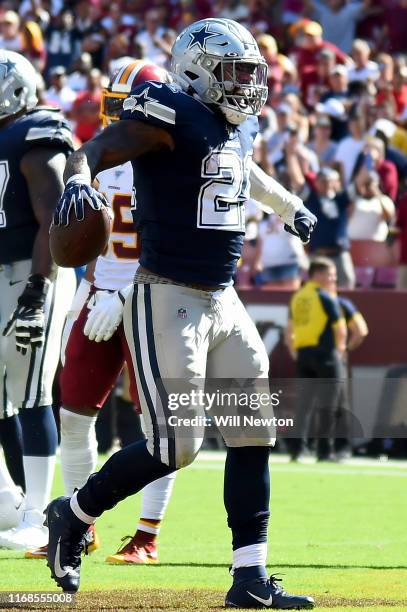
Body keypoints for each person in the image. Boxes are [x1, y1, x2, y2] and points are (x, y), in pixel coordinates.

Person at [46, 17, 316, 609]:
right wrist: (77, 180)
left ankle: (250, 576)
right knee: (176, 445)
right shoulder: (169, 112)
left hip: (224, 297)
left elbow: (247, 174)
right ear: (197, 69)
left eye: (252, 72)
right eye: (236, 71)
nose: (248, 83)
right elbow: (95, 148)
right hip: (168, 295)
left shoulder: (230, 127)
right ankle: (73, 513)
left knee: (253, 429)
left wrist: (291, 208)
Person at [26, 59, 176, 565]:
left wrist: (127, 291)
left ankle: (147, 535)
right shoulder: (97, 155)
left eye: (127, 105)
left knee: (161, 425)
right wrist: (88, 286)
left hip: (154, 293)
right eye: (114, 106)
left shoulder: (172, 158)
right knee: (73, 414)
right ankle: (78, 526)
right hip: (96, 293)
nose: (120, 116)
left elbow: (173, 243)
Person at [0, 50, 76, 550]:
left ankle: (38, 515)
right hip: (4, 271)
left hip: (34, 273)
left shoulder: (35, 134)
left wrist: (38, 287)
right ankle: (8, 503)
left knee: (31, 393)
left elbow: (50, 217)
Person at [285, 257, 347, 461]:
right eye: (330, 274)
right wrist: (339, 351)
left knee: (303, 406)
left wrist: (295, 351)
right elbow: (341, 329)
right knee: (328, 406)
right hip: (326, 355)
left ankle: (298, 451)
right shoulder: (325, 297)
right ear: (317, 274)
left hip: (304, 355)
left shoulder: (298, 297)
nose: (333, 279)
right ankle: (324, 452)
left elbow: (290, 329)